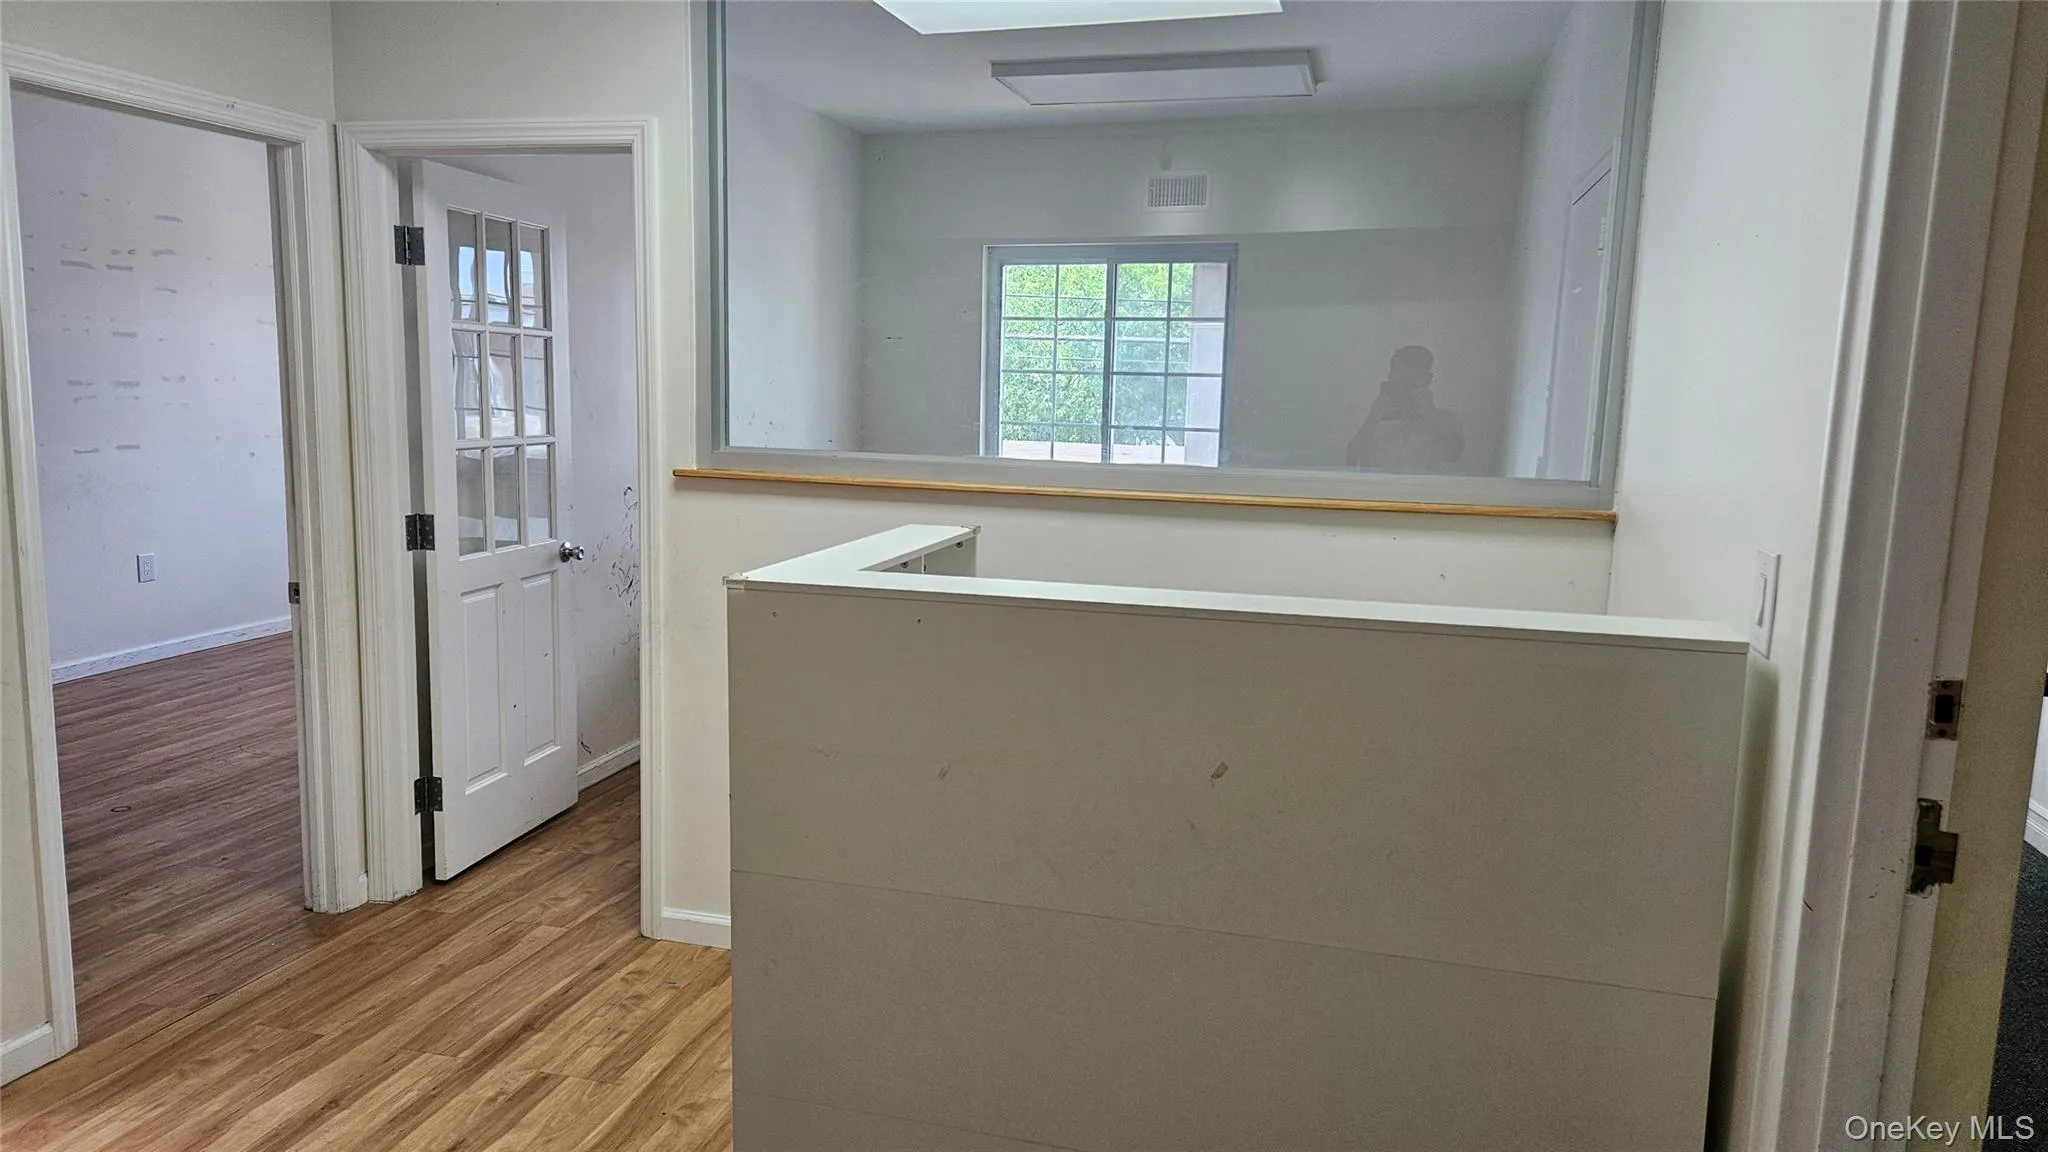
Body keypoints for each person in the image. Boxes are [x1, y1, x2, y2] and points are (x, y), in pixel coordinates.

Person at [1346, 345, 1465, 473]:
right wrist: (1373, 418)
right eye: (1400, 383)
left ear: (1428, 380)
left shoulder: (1446, 420)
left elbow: (1453, 456)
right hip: (1380, 491)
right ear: (1390, 378)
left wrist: (1430, 414)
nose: (1405, 391)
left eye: (1413, 383)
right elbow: (1351, 461)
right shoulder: (1374, 422)